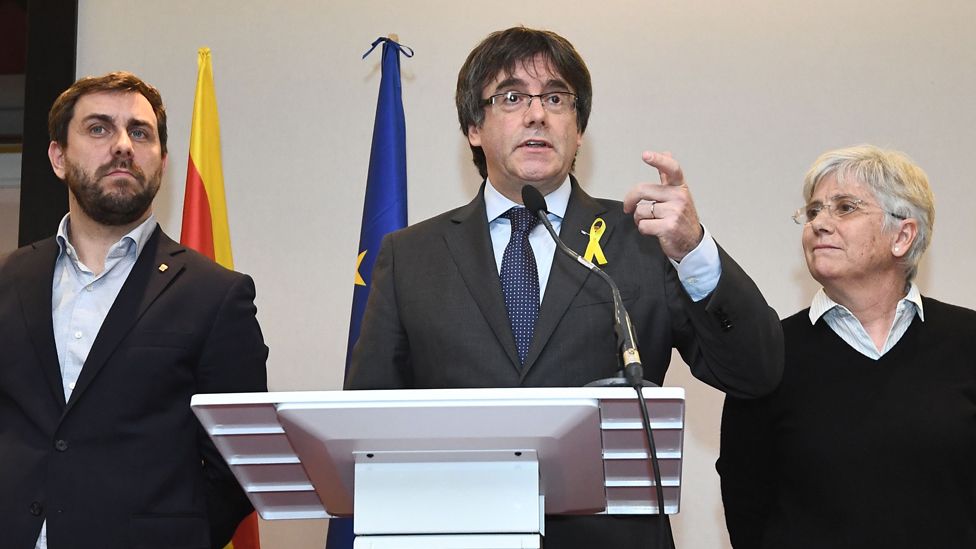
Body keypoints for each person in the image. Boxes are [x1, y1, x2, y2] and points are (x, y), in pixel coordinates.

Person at [346, 27, 783, 548]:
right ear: (473, 128)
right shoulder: (410, 255)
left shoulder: (643, 241)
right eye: (511, 97)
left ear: (578, 131)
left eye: (555, 98)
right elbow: (366, 429)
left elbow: (756, 371)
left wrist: (694, 251)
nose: (537, 114)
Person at [0, 72, 268, 549]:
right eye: (99, 128)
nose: (123, 145)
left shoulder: (216, 295)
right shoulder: (9, 278)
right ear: (58, 157)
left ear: (162, 163)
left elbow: (239, 462)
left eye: (139, 132)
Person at [717, 145, 976, 548]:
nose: (820, 223)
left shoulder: (967, 340)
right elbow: (747, 505)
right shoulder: (768, 353)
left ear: (903, 236)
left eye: (845, 208)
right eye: (814, 210)